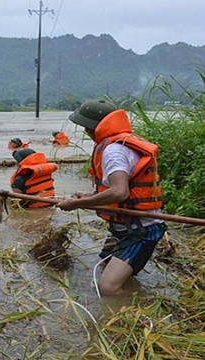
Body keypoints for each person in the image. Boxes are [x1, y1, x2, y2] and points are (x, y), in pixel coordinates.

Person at [56, 99, 167, 296]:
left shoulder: (113, 151)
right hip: (124, 226)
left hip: (141, 230)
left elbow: (119, 192)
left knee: (107, 287)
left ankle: (137, 313)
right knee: (105, 265)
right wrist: (89, 196)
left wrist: (77, 203)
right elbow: (123, 192)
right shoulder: (119, 144)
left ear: (92, 128)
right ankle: (132, 291)